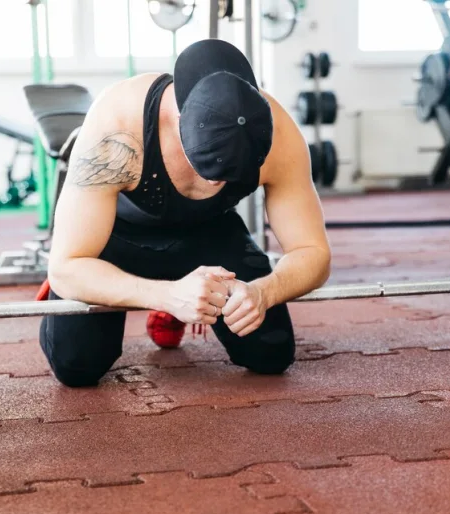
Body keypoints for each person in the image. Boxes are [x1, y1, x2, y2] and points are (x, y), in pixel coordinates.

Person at [40, 39, 331, 387]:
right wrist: (165, 296)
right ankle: (170, 300)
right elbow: (66, 267)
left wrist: (263, 292)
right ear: (179, 119)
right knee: (76, 366)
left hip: (209, 231)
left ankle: (189, 294)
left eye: (228, 176)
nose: (213, 184)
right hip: (115, 236)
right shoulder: (118, 125)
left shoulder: (280, 135)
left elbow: (314, 252)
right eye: (206, 167)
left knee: (271, 353)